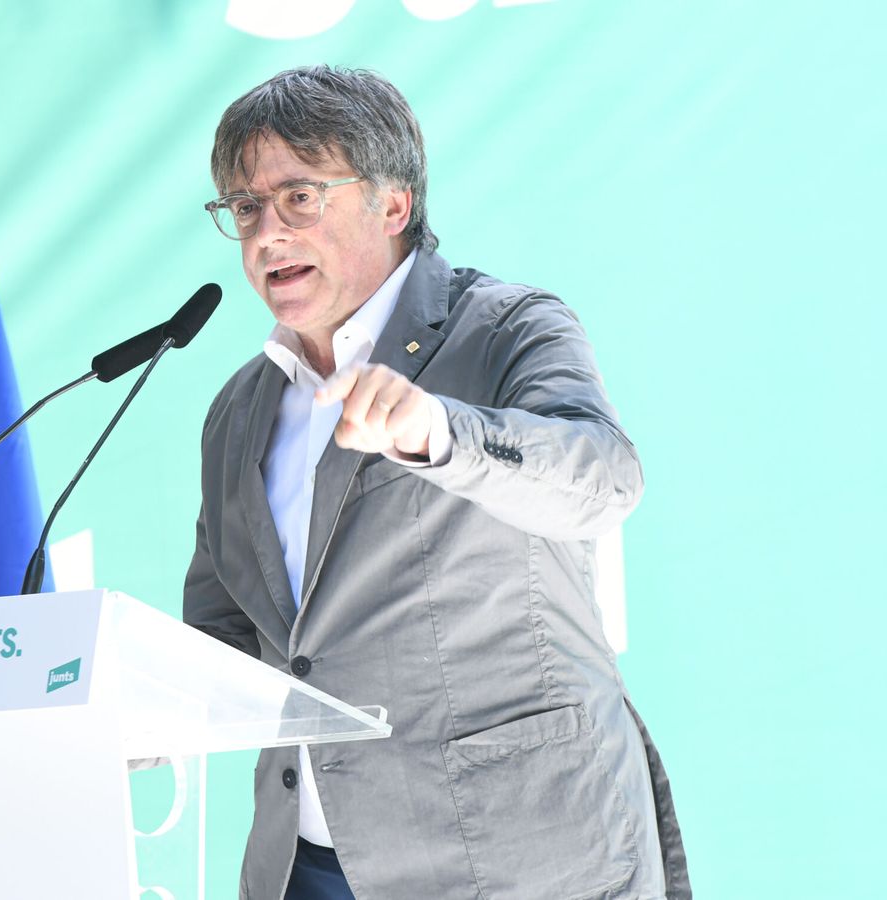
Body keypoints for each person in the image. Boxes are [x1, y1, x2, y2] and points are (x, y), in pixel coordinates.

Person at [183, 65, 690, 900]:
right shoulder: (239, 410)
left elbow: (602, 477)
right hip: (307, 866)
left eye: (299, 198)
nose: (265, 234)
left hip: (515, 854)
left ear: (393, 203)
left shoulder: (505, 329)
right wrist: (127, 707)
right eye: (244, 208)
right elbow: (228, 630)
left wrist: (438, 433)